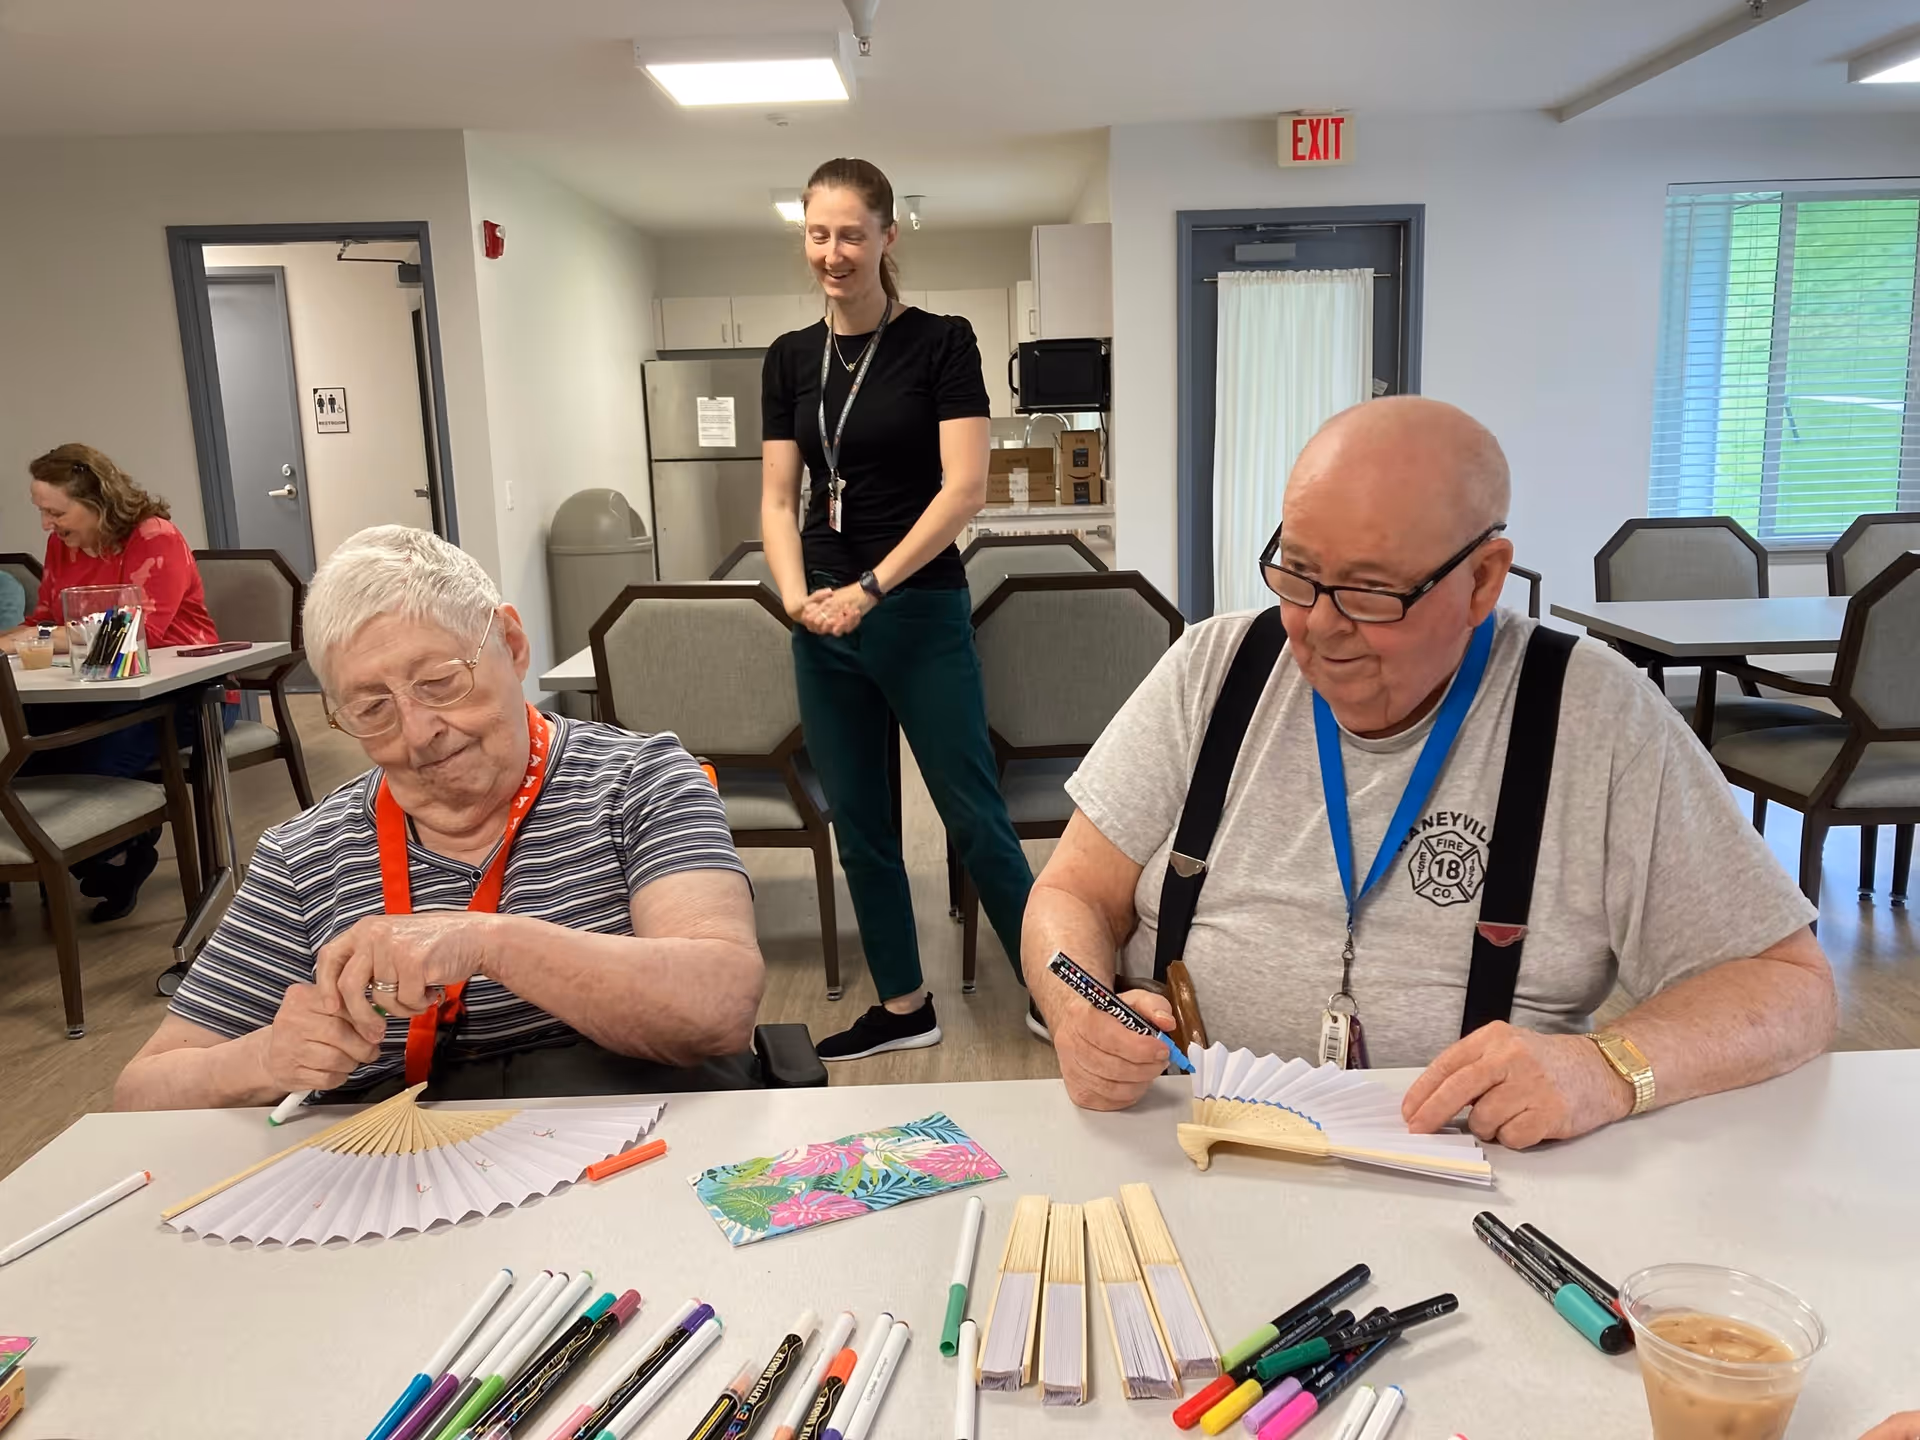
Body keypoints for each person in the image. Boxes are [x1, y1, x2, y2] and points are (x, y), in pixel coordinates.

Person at [1023, 397, 1836, 1147]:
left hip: (1470, 1175)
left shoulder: (1594, 715)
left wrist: (1610, 1068)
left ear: (1483, 579)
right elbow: (1070, 893)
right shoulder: (1215, 669)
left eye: (1372, 594)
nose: (1319, 628)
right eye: (1298, 574)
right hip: (1195, 1142)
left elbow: (1786, 987)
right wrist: (1076, 1011)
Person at [114, 525, 765, 1110]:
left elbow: (720, 1005)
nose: (419, 732)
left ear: (510, 644)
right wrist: (261, 1059)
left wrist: (488, 942)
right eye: (372, 708)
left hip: (638, 1152)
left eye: (440, 682)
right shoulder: (306, 855)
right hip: (415, 1187)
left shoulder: (639, 782)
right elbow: (139, 1093)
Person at [760, 157, 1034, 1061]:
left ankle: (1054, 989)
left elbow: (965, 490)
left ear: (887, 236)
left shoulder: (942, 342)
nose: (833, 253)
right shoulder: (789, 357)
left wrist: (871, 589)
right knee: (863, 828)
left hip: (915, 608)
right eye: (817, 234)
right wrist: (801, 601)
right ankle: (904, 1003)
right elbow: (777, 499)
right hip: (822, 624)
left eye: (850, 233)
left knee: (972, 813)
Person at [1, 443, 228, 920]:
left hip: (177, 691)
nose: (47, 524)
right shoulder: (62, 544)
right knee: (26, 758)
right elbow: (45, 618)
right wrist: (31, 636)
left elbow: (141, 631)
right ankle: (103, 853)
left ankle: (120, 853)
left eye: (55, 511)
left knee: (94, 761)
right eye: (42, 512)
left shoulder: (154, 537)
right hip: (91, 686)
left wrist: (43, 635)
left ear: (97, 502)